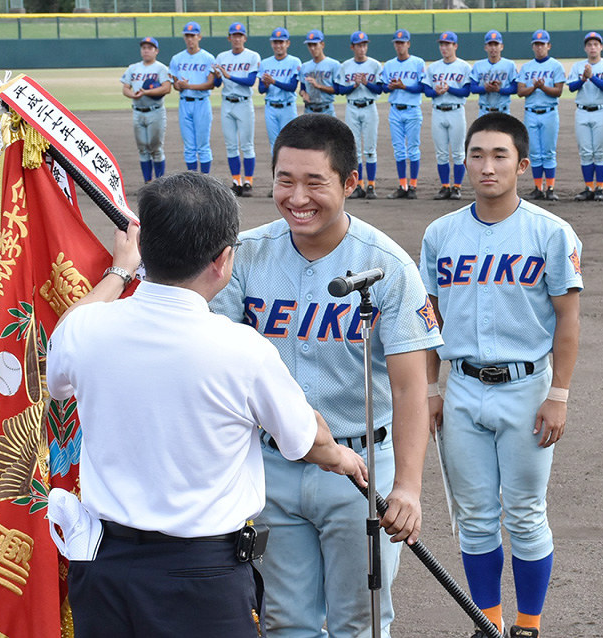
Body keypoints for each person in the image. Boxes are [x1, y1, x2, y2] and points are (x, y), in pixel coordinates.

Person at [46, 171, 369, 638]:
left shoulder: (86, 330)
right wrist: (342, 455)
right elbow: (305, 441)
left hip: (107, 570)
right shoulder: (242, 350)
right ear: (222, 260)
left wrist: (120, 270)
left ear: (146, 252)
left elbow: (61, 348)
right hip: (202, 577)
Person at [210, 114, 443, 637]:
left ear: (349, 183)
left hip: (360, 471)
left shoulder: (387, 265)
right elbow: (213, 354)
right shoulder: (245, 255)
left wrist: (406, 487)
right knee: (284, 620)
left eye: (315, 182)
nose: (297, 197)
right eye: (284, 181)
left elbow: (410, 387)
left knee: (359, 621)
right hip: (273, 464)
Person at [420, 113, 582, 638]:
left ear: (523, 164)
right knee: (474, 515)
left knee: (526, 513)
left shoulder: (551, 232)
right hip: (462, 387)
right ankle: (487, 622)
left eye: (499, 156)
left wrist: (558, 393)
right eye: (476, 155)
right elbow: (429, 321)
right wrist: (429, 390)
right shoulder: (441, 233)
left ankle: (528, 625)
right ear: (464, 160)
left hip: (527, 386)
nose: (486, 166)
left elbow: (567, 320)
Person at [567, 31, 603, 202]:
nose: (593, 47)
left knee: (600, 151)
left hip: (602, 111)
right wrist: (583, 79)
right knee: (586, 152)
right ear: (585, 48)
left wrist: (592, 77)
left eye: (596, 44)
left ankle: (600, 188)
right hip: (582, 111)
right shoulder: (577, 66)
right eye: (589, 44)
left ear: (601, 47)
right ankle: (589, 187)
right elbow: (572, 88)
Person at [213, 22, 261, 197]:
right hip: (227, 103)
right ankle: (236, 181)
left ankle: (248, 181)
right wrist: (218, 77)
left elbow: (250, 81)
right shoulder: (221, 57)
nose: (237, 38)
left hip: (244, 102)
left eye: (240, 35)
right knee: (231, 145)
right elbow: (217, 83)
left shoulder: (252, 56)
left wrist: (229, 75)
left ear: (245, 38)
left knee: (247, 145)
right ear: (229, 38)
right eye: (234, 35)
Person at [517, 30, 565, 202]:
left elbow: (558, 92)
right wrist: (535, 87)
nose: (539, 47)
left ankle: (550, 188)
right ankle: (538, 188)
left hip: (549, 113)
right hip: (531, 113)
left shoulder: (555, 66)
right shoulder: (527, 67)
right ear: (533, 47)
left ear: (548, 46)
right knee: (535, 153)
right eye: (536, 44)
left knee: (549, 152)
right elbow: (520, 92)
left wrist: (541, 88)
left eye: (542, 44)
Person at [423, 31, 471, 201]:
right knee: (441, 153)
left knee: (458, 153)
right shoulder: (434, 67)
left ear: (455, 46)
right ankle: (444, 187)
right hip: (438, 111)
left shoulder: (464, 66)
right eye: (442, 44)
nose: (444, 47)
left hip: (456, 111)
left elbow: (466, 90)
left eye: (447, 44)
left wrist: (449, 89)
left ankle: (457, 187)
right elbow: (426, 90)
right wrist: (435, 91)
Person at [336, 30, 383, 200]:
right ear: (352, 47)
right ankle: (358, 185)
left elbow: (380, 89)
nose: (362, 48)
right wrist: (354, 86)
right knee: (355, 149)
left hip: (370, 107)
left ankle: (371, 185)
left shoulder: (375, 65)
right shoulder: (346, 66)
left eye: (364, 45)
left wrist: (366, 83)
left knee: (370, 149)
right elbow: (341, 90)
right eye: (358, 45)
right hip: (352, 107)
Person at [381, 28, 426, 199]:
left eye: (402, 42)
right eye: (397, 43)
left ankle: (413, 186)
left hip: (413, 110)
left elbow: (422, 87)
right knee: (399, 150)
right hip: (395, 110)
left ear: (408, 44)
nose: (400, 46)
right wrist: (390, 87)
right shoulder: (390, 65)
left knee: (413, 149)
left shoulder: (418, 62)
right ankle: (402, 185)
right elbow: (383, 87)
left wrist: (404, 86)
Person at [120, 37, 171, 184]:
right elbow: (125, 88)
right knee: (142, 149)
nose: (146, 50)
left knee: (156, 149)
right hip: (137, 111)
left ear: (156, 51)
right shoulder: (133, 68)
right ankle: (148, 183)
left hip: (155, 112)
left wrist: (146, 92)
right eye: (144, 48)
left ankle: (160, 183)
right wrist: (133, 95)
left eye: (150, 48)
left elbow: (167, 88)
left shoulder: (161, 68)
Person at [169, 21, 216, 173]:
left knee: (203, 145)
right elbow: (175, 84)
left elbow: (210, 84)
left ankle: (206, 180)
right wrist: (180, 85)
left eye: (193, 35)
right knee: (189, 146)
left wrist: (189, 86)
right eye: (187, 36)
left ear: (199, 37)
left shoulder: (208, 58)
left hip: (202, 103)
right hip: (184, 103)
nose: (190, 39)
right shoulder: (177, 58)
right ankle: (192, 181)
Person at [258, 27, 301, 158]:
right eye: (275, 42)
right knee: (274, 144)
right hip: (271, 107)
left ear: (287, 43)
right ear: (272, 44)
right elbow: (261, 90)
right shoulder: (265, 63)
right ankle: (277, 176)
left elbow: (292, 87)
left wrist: (273, 81)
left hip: (288, 107)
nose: (278, 45)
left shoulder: (294, 61)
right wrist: (265, 85)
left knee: (290, 143)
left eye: (281, 42)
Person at [470, 31, 518, 116]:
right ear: (485, 47)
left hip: (503, 111)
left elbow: (515, 88)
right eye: (490, 45)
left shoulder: (510, 65)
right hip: (484, 112)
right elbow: (473, 89)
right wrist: (485, 88)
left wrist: (499, 90)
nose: (493, 48)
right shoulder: (478, 65)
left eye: (496, 44)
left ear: (501, 47)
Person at [299, 29, 340, 116]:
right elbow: (302, 88)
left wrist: (318, 86)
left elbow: (337, 89)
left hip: (327, 110)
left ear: (322, 44)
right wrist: (303, 93)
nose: (312, 48)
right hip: (309, 110)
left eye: (315, 44)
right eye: (310, 45)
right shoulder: (305, 66)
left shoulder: (334, 64)